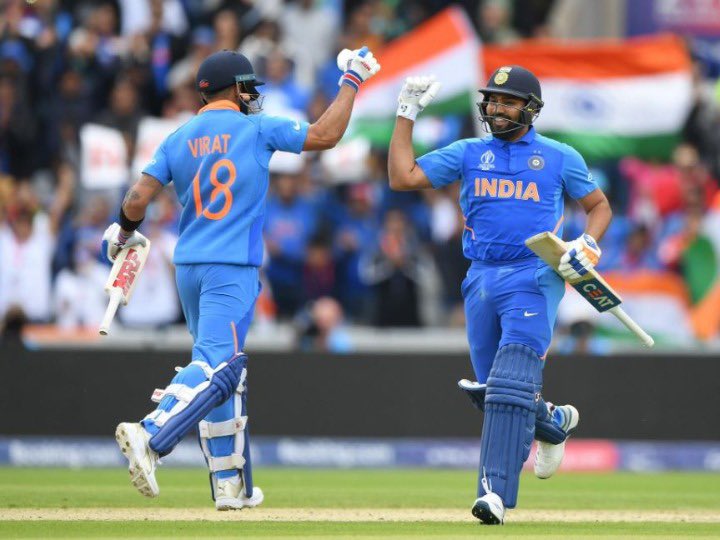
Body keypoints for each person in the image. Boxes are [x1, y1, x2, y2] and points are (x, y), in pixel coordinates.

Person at [103, 48, 380, 510]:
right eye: (248, 87)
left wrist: (124, 233)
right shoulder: (257, 128)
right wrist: (352, 79)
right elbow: (327, 134)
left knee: (225, 372)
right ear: (234, 88)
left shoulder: (178, 136)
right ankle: (149, 433)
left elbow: (136, 199)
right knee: (216, 365)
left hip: (188, 268)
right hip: (231, 267)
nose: (252, 95)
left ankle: (230, 486)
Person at [388, 66, 612, 524]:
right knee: (495, 392)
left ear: (531, 108)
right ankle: (552, 423)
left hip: (535, 274)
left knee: (509, 387)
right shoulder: (469, 152)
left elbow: (599, 206)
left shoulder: (559, 156)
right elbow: (402, 177)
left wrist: (587, 244)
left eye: (508, 101)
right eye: (492, 99)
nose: (497, 108)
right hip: (481, 277)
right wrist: (406, 113)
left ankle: (494, 495)